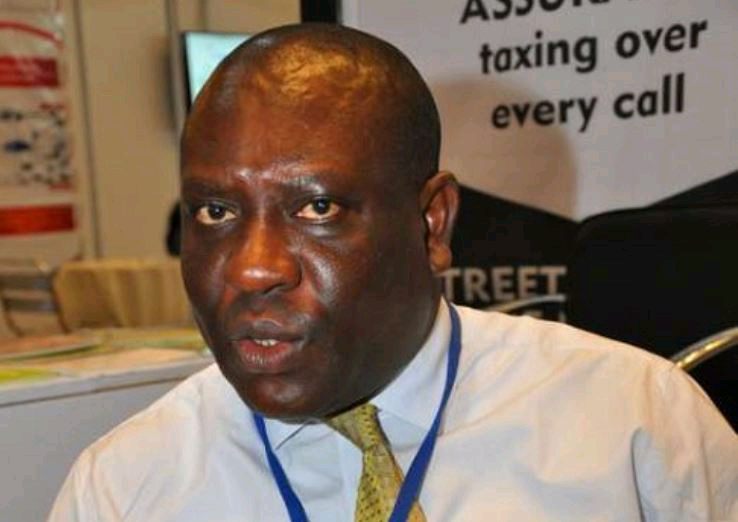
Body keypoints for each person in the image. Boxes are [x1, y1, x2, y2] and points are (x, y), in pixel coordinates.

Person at [49, 23, 737, 521]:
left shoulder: (637, 425)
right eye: (215, 212)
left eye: (318, 207)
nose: (254, 269)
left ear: (432, 223)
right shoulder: (125, 488)